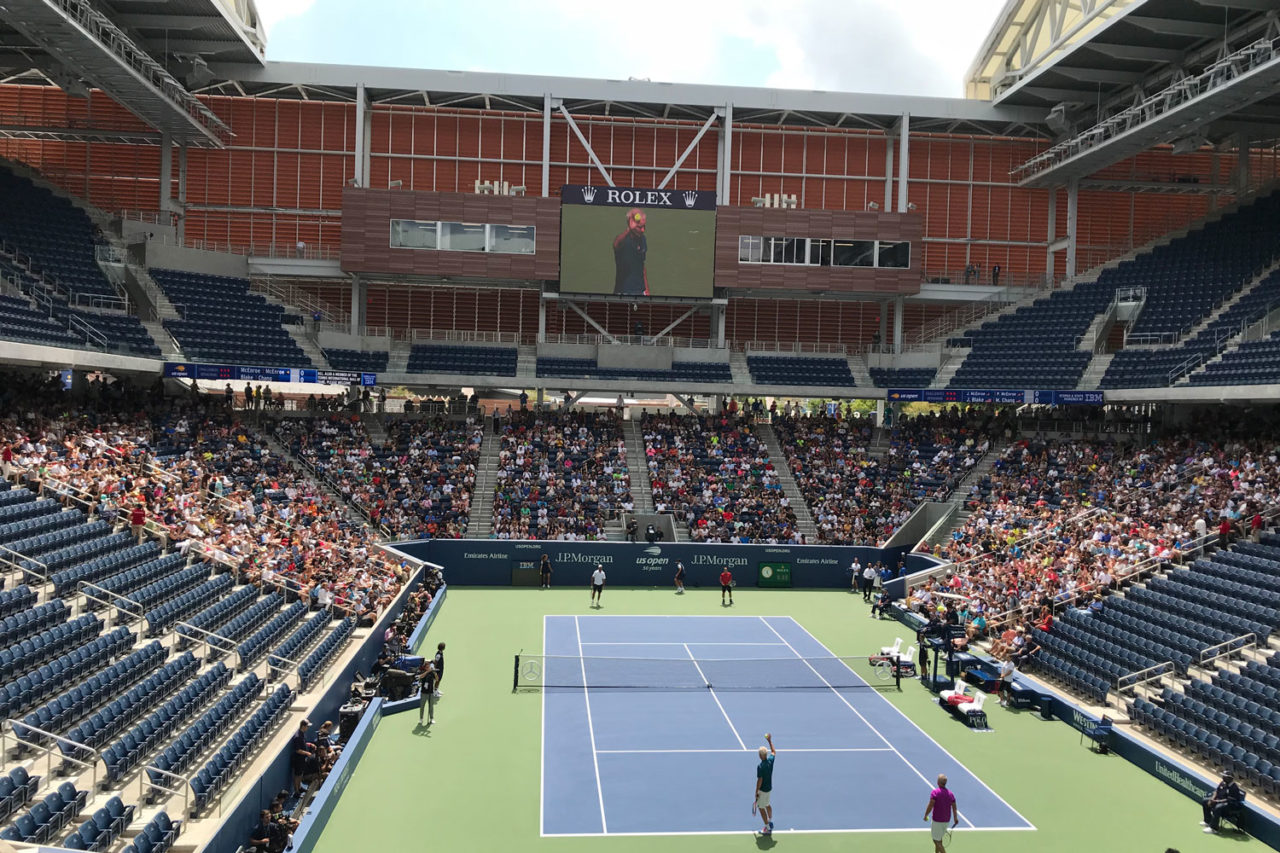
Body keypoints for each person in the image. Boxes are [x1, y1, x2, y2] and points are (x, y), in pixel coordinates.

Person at [613, 207, 648, 296]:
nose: (643, 230)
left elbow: (642, 265)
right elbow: (616, 244)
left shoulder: (643, 239)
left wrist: (646, 291)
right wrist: (628, 229)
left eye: (644, 226)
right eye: (640, 227)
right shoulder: (623, 241)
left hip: (640, 291)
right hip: (622, 292)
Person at [923, 773, 959, 852]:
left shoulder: (935, 793)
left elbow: (931, 805)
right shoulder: (950, 794)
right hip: (946, 821)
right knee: (939, 839)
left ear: (938, 782)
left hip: (937, 821)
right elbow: (954, 807)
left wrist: (926, 815)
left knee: (936, 841)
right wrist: (955, 818)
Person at [753, 733, 776, 836]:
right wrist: (769, 741)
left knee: (761, 808)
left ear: (760, 756)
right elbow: (774, 752)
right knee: (767, 804)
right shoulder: (770, 761)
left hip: (762, 790)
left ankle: (767, 828)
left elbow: (760, 780)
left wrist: (756, 792)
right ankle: (770, 820)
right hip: (769, 788)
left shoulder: (760, 766)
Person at [290, 720, 313, 795]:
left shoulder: (302, 734)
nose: (308, 728)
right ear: (303, 726)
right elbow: (297, 750)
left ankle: (300, 787)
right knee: (297, 775)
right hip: (298, 759)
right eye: (307, 726)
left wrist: (309, 744)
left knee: (301, 773)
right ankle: (296, 791)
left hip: (302, 758)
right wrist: (307, 753)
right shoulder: (297, 736)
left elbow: (303, 744)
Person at [416, 660, 438, 725]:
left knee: (431, 706)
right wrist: (427, 672)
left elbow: (437, 679)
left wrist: (435, 673)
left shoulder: (432, 673)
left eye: (429, 667)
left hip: (430, 692)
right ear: (425, 667)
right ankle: (421, 719)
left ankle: (431, 719)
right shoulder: (423, 672)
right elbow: (421, 676)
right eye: (427, 667)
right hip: (424, 693)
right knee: (422, 706)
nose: (428, 668)